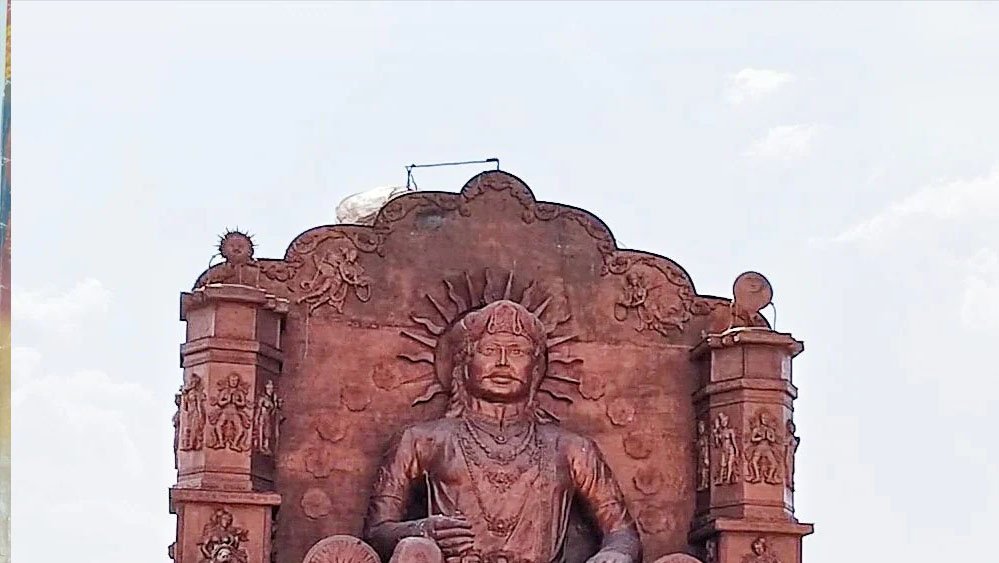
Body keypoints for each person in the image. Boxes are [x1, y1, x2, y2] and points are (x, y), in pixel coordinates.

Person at [365, 300, 641, 563]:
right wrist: (422, 530)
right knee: (415, 550)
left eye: (517, 351)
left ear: (535, 368)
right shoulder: (422, 440)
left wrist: (616, 553)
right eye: (489, 350)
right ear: (464, 364)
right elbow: (377, 531)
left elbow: (621, 531)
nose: (502, 362)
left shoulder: (571, 448)